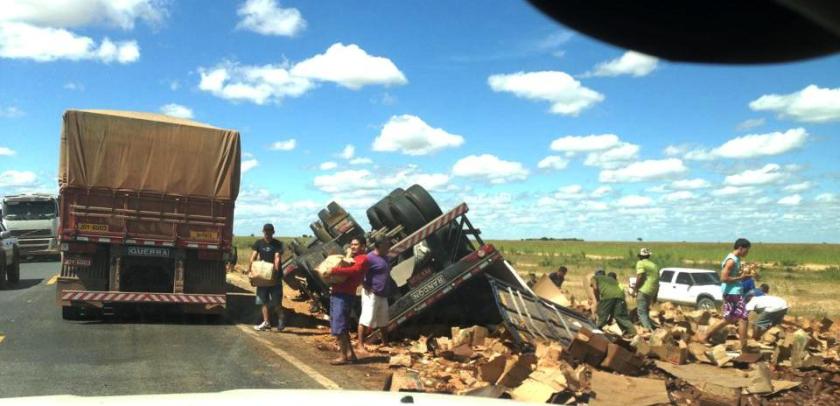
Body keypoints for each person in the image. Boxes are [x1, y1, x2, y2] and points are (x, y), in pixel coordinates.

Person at [699, 238, 752, 350]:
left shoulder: (736, 259)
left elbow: (733, 277)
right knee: (743, 318)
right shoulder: (731, 260)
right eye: (746, 250)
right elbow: (723, 278)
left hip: (732, 291)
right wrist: (741, 277)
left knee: (729, 318)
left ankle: (705, 336)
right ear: (741, 248)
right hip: (733, 293)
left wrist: (743, 276)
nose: (747, 253)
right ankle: (744, 347)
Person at [327, 236, 369, 365]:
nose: (353, 246)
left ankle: (343, 356)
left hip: (345, 295)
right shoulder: (352, 258)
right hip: (337, 293)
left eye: (356, 244)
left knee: (340, 326)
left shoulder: (362, 259)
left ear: (363, 246)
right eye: (352, 244)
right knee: (341, 326)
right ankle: (351, 355)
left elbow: (354, 270)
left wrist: (334, 270)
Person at [357, 235, 394, 352]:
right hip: (371, 294)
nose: (389, 247)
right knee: (366, 320)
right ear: (380, 246)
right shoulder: (369, 258)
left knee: (383, 321)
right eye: (387, 245)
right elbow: (359, 273)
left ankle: (385, 343)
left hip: (383, 294)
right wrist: (366, 286)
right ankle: (360, 345)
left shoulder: (386, 258)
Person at [249, 224, 285, 332]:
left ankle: (281, 319)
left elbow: (277, 258)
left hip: (275, 278)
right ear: (263, 231)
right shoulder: (258, 243)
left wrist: (275, 272)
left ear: (273, 232)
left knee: (276, 302)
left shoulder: (278, 244)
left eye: (269, 231)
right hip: (263, 277)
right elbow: (253, 257)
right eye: (266, 231)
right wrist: (250, 271)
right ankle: (266, 322)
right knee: (263, 301)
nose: (267, 233)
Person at [589, 269, 636, 336]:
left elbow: (595, 288)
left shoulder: (594, 278)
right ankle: (632, 332)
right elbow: (612, 309)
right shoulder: (609, 279)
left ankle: (597, 328)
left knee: (602, 312)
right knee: (619, 315)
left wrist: (598, 300)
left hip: (608, 295)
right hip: (620, 295)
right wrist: (610, 318)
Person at [633, 248, 659, 331]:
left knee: (641, 312)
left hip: (644, 290)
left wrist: (635, 288)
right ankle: (651, 327)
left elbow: (640, 277)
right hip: (652, 291)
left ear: (640, 256)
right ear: (648, 256)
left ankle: (648, 330)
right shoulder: (654, 265)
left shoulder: (640, 263)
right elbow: (657, 280)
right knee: (645, 311)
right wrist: (655, 295)